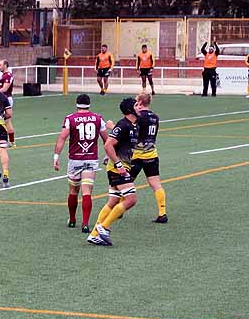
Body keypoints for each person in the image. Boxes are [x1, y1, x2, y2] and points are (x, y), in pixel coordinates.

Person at [87, 98, 139, 246]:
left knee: (113, 201)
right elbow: (108, 144)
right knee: (131, 199)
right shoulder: (123, 125)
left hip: (119, 167)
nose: (139, 107)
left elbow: (117, 144)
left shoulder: (132, 125)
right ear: (130, 110)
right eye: (136, 105)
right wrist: (118, 164)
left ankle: (94, 235)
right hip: (118, 168)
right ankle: (103, 227)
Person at [53, 94, 108, 233]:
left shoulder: (70, 118)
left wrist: (56, 156)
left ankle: (72, 219)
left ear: (77, 104)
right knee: (87, 191)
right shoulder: (98, 118)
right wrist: (108, 155)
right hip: (91, 159)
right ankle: (85, 223)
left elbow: (62, 138)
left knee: (73, 191)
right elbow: (106, 139)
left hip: (75, 160)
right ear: (89, 104)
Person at [132, 93, 167, 223]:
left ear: (140, 102)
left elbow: (130, 133)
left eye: (136, 101)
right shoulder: (155, 117)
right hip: (152, 154)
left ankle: (120, 209)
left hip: (137, 155)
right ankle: (162, 213)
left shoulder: (139, 117)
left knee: (124, 183)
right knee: (156, 185)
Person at [0, 60, 15, 145]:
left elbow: (5, 89)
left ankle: (7, 141)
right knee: (5, 121)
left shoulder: (8, 76)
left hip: (6, 100)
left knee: (5, 121)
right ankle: (11, 141)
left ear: (5, 65)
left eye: (0, 65)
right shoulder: (4, 75)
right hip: (3, 99)